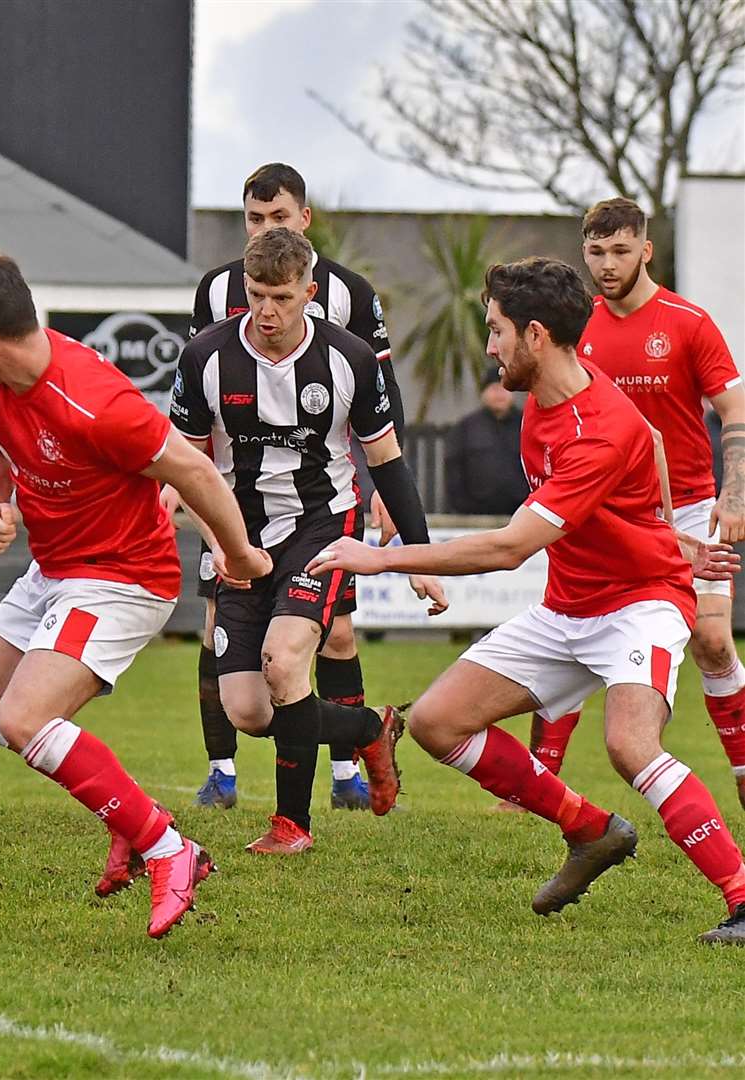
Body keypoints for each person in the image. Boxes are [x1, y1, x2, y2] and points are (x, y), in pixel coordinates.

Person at [309, 256, 745, 945]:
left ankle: (741, 897)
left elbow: (508, 548)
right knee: (436, 722)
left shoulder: (593, 428)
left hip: (639, 605)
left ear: (535, 335)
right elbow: (654, 443)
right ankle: (587, 829)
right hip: (567, 605)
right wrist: (667, 532)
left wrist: (381, 557)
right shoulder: (556, 395)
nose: (488, 348)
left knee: (629, 745)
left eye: (495, 331)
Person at [0, 249, 273, 939]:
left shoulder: (95, 400)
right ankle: (131, 816)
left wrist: (238, 555)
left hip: (123, 576)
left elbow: (196, 471)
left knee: (24, 718)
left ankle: (170, 851)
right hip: (53, 570)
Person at [169, 227, 445, 855]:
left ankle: (291, 826)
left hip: (322, 526)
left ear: (309, 294)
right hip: (238, 531)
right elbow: (188, 469)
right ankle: (370, 727)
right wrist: (220, 545)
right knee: (249, 710)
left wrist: (420, 559)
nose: (268, 312)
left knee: (286, 660)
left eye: (283, 299)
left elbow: (389, 464)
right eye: (258, 295)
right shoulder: (205, 359)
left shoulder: (347, 359)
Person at [508, 198, 745, 811]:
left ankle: (743, 776)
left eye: (620, 251)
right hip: (604, 506)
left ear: (646, 250)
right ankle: (537, 779)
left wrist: (734, 488)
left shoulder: (687, 322)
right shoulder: (573, 327)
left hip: (691, 507)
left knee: (714, 641)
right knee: (575, 619)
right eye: (595, 251)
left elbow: (733, 411)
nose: (607, 265)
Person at [186, 163, 409, 813]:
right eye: (254, 220)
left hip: (318, 502)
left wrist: (382, 487)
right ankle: (220, 770)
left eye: (278, 218)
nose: (264, 230)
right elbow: (196, 391)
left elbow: (378, 398)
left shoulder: (348, 293)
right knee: (215, 632)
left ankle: (345, 774)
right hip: (235, 503)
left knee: (333, 638)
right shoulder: (215, 290)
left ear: (303, 220)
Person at [445, 370, 528, 515]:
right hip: (475, 514)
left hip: (522, 513)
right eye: (494, 389)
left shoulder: (527, 424)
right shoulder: (466, 427)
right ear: (483, 393)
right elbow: (454, 469)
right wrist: (462, 507)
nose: (500, 394)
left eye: (505, 389)